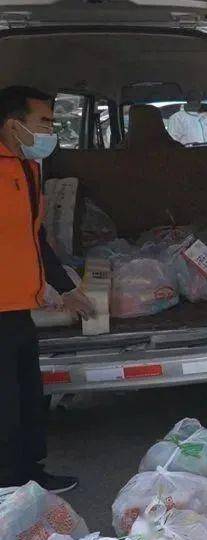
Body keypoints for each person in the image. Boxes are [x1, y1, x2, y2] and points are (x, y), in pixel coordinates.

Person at [0, 86, 95, 492]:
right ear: (13, 125)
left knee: (26, 398)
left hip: (21, 306)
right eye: (44, 122)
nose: (50, 132)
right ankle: (8, 486)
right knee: (4, 405)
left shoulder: (28, 169)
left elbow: (34, 237)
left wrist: (65, 287)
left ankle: (29, 473)